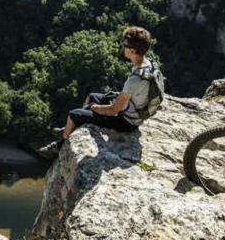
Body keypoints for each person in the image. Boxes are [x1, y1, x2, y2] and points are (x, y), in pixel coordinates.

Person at [37, 26, 156, 159]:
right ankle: (76, 125)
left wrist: (94, 108)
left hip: (127, 122)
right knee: (93, 96)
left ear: (132, 51)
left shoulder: (135, 80)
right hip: (135, 110)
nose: (123, 47)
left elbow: (112, 110)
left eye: (125, 45)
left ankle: (61, 144)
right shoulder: (150, 64)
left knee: (73, 114)